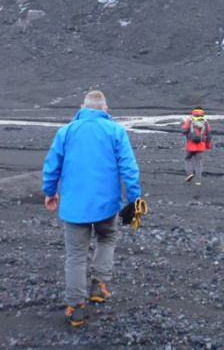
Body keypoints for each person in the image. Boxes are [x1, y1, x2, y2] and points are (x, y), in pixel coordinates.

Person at [42, 90, 143, 328]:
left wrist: (50, 192)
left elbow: (51, 165)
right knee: (106, 239)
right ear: (105, 108)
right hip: (107, 204)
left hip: (75, 205)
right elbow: (129, 166)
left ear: (82, 107)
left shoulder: (66, 131)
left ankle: (76, 308)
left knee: (76, 255)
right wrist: (135, 198)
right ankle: (99, 286)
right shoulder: (115, 131)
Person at [182, 107, 212, 185]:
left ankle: (190, 173)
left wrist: (186, 123)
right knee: (198, 162)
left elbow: (184, 130)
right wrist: (208, 145)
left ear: (193, 112)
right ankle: (198, 181)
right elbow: (209, 135)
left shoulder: (190, 120)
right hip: (201, 146)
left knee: (187, 159)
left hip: (190, 145)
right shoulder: (205, 122)